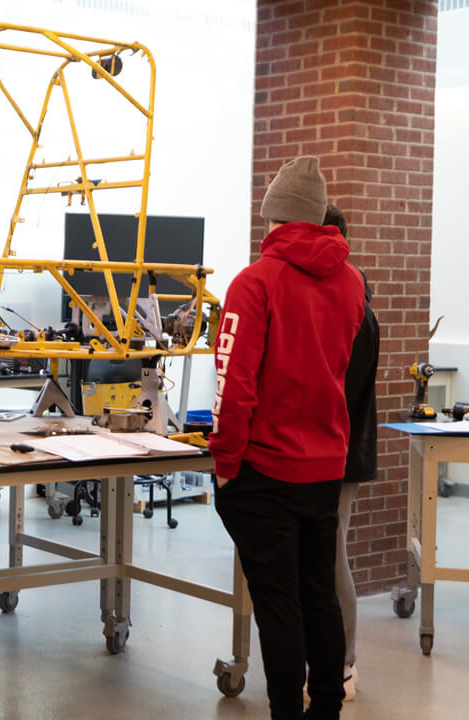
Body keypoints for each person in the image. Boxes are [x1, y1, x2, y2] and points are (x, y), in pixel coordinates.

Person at [208, 156, 365, 720]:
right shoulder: (351, 282)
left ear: (272, 217)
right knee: (317, 595)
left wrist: (226, 461)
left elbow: (234, 383)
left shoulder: (255, 282)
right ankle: (325, 709)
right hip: (326, 465)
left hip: (266, 470)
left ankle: (284, 713)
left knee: (278, 604)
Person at [320, 203, 379, 702]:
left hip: (339, 454)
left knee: (331, 553)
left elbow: (339, 390)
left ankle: (343, 665)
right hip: (331, 451)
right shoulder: (348, 296)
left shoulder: (353, 305)